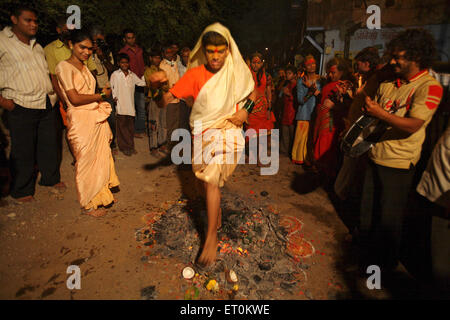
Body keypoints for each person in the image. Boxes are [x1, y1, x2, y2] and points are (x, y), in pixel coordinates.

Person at [149, 23, 255, 266]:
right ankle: (214, 214)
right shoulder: (195, 75)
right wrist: (158, 87)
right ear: (204, 52)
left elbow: (253, 93)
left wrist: (245, 112)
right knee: (204, 183)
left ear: (228, 50)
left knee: (210, 180)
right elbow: (164, 101)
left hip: (229, 131)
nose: (216, 56)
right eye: (211, 51)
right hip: (201, 135)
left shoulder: (236, 70)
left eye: (220, 50)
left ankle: (210, 238)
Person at [358, 28, 443, 273]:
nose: (393, 61)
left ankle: (384, 268)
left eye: (399, 57)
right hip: (375, 155)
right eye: (392, 56)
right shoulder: (389, 81)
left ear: (416, 57)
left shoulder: (429, 87)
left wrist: (380, 113)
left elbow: (413, 125)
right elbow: (374, 108)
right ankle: (365, 258)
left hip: (398, 164)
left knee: (388, 220)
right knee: (368, 213)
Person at [0, 6, 65, 202]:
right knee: (23, 149)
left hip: (45, 102)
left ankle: (50, 178)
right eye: (28, 20)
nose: (33, 24)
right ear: (14, 19)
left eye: (35, 21)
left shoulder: (36, 45)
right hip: (20, 104)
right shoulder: (2, 42)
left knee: (49, 144)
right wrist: (4, 102)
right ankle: (22, 190)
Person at [55, 29, 119, 217]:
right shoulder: (63, 66)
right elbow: (74, 98)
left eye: (90, 49)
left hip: (94, 116)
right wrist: (100, 95)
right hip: (80, 119)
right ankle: (88, 203)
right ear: (70, 45)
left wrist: (98, 97)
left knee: (100, 158)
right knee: (85, 162)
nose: (86, 52)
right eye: (82, 47)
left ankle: (101, 196)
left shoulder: (85, 67)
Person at [313, 57, 354, 180]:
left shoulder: (345, 85)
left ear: (342, 72)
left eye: (333, 72)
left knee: (328, 148)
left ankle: (328, 176)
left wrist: (335, 106)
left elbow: (349, 106)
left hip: (332, 122)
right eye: (329, 72)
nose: (330, 75)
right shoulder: (328, 84)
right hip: (322, 119)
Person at [110, 53, 146, 156]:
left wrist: (145, 76)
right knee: (122, 128)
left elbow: (141, 83)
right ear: (118, 63)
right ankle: (124, 147)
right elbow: (112, 87)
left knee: (130, 128)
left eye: (126, 62)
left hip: (130, 106)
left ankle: (130, 146)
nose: (124, 64)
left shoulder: (132, 75)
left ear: (128, 63)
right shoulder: (115, 74)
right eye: (122, 62)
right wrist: (114, 97)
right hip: (120, 105)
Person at [91, 26, 118, 153]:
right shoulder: (87, 52)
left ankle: (111, 144)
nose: (100, 44)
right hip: (92, 91)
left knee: (111, 118)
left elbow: (112, 68)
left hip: (106, 89)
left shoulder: (106, 52)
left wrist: (103, 57)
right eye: (98, 41)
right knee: (94, 121)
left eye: (102, 41)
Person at [246, 52, 276, 166]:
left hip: (263, 108)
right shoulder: (246, 74)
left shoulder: (267, 75)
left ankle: (259, 158)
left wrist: (269, 107)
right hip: (250, 107)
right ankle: (252, 156)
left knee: (262, 134)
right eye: (254, 62)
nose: (256, 65)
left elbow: (268, 91)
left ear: (262, 63)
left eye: (258, 62)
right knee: (252, 133)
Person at [292, 55, 321, 165]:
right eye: (308, 64)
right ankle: (300, 159)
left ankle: (310, 158)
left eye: (313, 63)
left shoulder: (321, 79)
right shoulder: (301, 81)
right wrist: (311, 90)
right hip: (304, 113)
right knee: (301, 138)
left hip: (316, 112)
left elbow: (322, 96)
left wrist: (311, 87)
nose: (312, 66)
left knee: (312, 138)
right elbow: (300, 100)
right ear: (304, 67)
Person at [119, 29, 146, 138]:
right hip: (129, 83)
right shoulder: (123, 52)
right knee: (130, 107)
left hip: (140, 81)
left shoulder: (139, 50)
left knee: (141, 106)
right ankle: (131, 130)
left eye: (133, 37)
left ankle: (140, 129)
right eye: (128, 38)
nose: (131, 40)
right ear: (124, 39)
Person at [144, 49, 166, 158]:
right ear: (151, 58)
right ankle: (153, 147)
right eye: (155, 57)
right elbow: (151, 83)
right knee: (153, 123)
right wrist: (160, 83)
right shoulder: (148, 70)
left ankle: (162, 144)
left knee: (163, 123)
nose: (157, 59)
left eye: (159, 58)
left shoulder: (161, 70)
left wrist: (159, 83)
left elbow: (166, 85)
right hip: (153, 98)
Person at [159, 45, 181, 152]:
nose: (170, 54)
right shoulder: (162, 66)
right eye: (167, 53)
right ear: (163, 54)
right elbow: (163, 84)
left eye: (171, 52)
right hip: (169, 98)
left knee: (176, 122)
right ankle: (168, 145)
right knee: (169, 123)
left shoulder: (176, 63)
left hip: (178, 98)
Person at [279, 65, 298, 156]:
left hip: (293, 112)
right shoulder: (287, 84)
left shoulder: (297, 85)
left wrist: (288, 94)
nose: (287, 75)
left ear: (294, 75)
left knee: (292, 134)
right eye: (287, 73)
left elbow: (299, 99)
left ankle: (291, 152)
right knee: (285, 133)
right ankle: (284, 151)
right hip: (286, 111)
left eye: (289, 73)